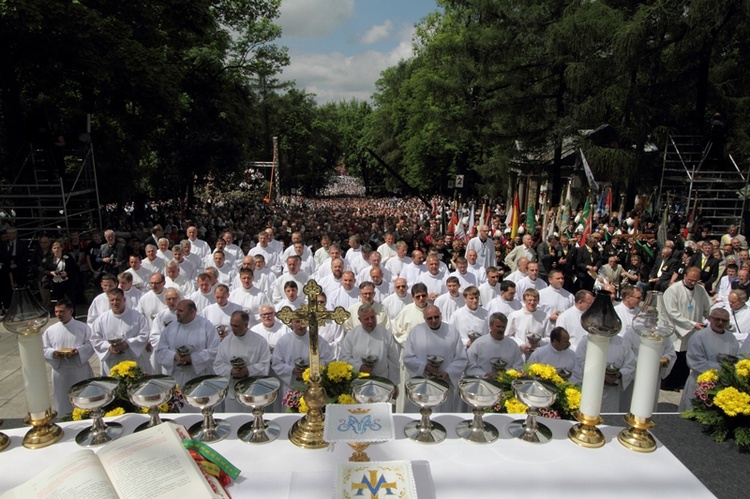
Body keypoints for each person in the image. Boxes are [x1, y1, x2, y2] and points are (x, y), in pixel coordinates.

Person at [403, 305, 468, 412]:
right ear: (424, 318)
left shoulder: (452, 332)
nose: (433, 321)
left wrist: (447, 372)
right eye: (429, 318)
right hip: (422, 382)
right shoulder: (416, 332)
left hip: (444, 382)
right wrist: (425, 366)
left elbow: (461, 358)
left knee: (441, 415)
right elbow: (408, 358)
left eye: (436, 317)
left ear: (441, 316)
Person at [661, 267, 712, 391]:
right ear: (684, 276)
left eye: (695, 280)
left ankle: (681, 382)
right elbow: (672, 312)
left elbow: (708, 306)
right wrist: (693, 324)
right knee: (675, 355)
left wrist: (712, 318)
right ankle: (668, 383)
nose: (693, 283)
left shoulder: (700, 289)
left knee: (686, 356)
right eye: (690, 280)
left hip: (693, 329)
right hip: (676, 329)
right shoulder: (673, 290)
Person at [678, 308, 739, 411]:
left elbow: (737, 358)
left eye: (724, 320)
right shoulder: (699, 336)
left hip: (723, 385)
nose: (720, 322)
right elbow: (695, 362)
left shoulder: (731, 338)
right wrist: (722, 367)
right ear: (710, 319)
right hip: (700, 382)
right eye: (717, 319)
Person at [42, 299, 95, 415]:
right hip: (61, 371)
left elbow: (91, 344)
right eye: (56, 312)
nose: (58, 315)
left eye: (61, 311)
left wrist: (79, 351)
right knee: (62, 399)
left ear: (71, 311)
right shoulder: (50, 330)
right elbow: (44, 348)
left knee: (82, 396)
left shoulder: (82, 327)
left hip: (78, 368)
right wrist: (53, 353)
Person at [156, 299, 220, 394]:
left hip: (199, 377)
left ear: (192, 312)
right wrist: (175, 356)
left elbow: (215, 350)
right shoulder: (171, 328)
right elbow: (160, 350)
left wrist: (192, 358)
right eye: (177, 310)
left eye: (181, 311)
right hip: (177, 377)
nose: (177, 313)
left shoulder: (206, 326)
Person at [213, 310, 271, 412]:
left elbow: (264, 364)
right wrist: (231, 371)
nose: (233, 329)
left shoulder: (259, 341)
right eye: (232, 325)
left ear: (245, 325)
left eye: (236, 326)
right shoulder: (226, 342)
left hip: (253, 391)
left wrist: (248, 370)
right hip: (232, 391)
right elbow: (218, 364)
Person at [572, 329, 636, 413]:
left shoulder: (622, 342)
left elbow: (630, 365)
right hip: (592, 389)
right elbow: (579, 363)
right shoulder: (587, 341)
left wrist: (619, 374)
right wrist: (601, 375)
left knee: (609, 418)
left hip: (612, 393)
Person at [91, 288, 150, 375]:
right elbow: (94, 338)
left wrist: (127, 344)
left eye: (118, 299)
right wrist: (109, 347)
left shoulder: (137, 316)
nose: (115, 303)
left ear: (124, 300)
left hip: (132, 359)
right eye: (112, 300)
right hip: (111, 360)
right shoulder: (101, 319)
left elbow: (144, 334)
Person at [340, 304, 401, 386]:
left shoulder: (385, 334)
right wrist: (359, 367)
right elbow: (344, 357)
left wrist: (394, 384)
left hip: (381, 381)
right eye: (366, 319)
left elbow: (393, 360)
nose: (370, 321)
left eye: (372, 317)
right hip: (359, 382)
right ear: (360, 319)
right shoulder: (352, 335)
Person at [271, 318, 335, 397]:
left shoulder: (317, 339)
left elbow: (328, 360)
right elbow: (276, 363)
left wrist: (312, 369)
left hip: (313, 386)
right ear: (292, 323)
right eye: (297, 321)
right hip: (291, 387)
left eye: (303, 321)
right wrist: (292, 370)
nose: (300, 325)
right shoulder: (283, 341)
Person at [466, 313, 523, 377]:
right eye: (498, 326)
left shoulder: (513, 345)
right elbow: (470, 366)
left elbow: (518, 366)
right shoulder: (478, 344)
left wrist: (507, 375)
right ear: (491, 326)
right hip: (483, 383)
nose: (501, 330)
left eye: (503, 327)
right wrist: (484, 374)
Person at [505, 289, 550, 357]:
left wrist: (538, 343)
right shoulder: (515, 316)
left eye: (535, 300)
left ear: (538, 301)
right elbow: (508, 335)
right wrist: (520, 344)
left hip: (538, 354)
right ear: (524, 300)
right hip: (519, 353)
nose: (532, 303)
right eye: (529, 300)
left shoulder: (544, 316)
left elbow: (549, 337)